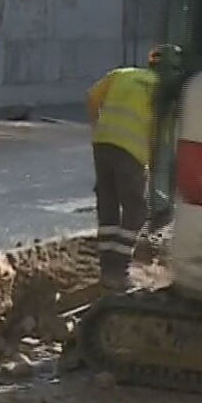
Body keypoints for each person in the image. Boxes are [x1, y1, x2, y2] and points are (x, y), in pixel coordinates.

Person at [86, 46, 167, 291]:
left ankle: (106, 268)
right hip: (130, 150)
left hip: (102, 143)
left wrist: (97, 127)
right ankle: (119, 270)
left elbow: (91, 96)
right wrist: (153, 163)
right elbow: (159, 133)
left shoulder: (123, 74)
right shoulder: (162, 91)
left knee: (108, 203)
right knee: (137, 209)